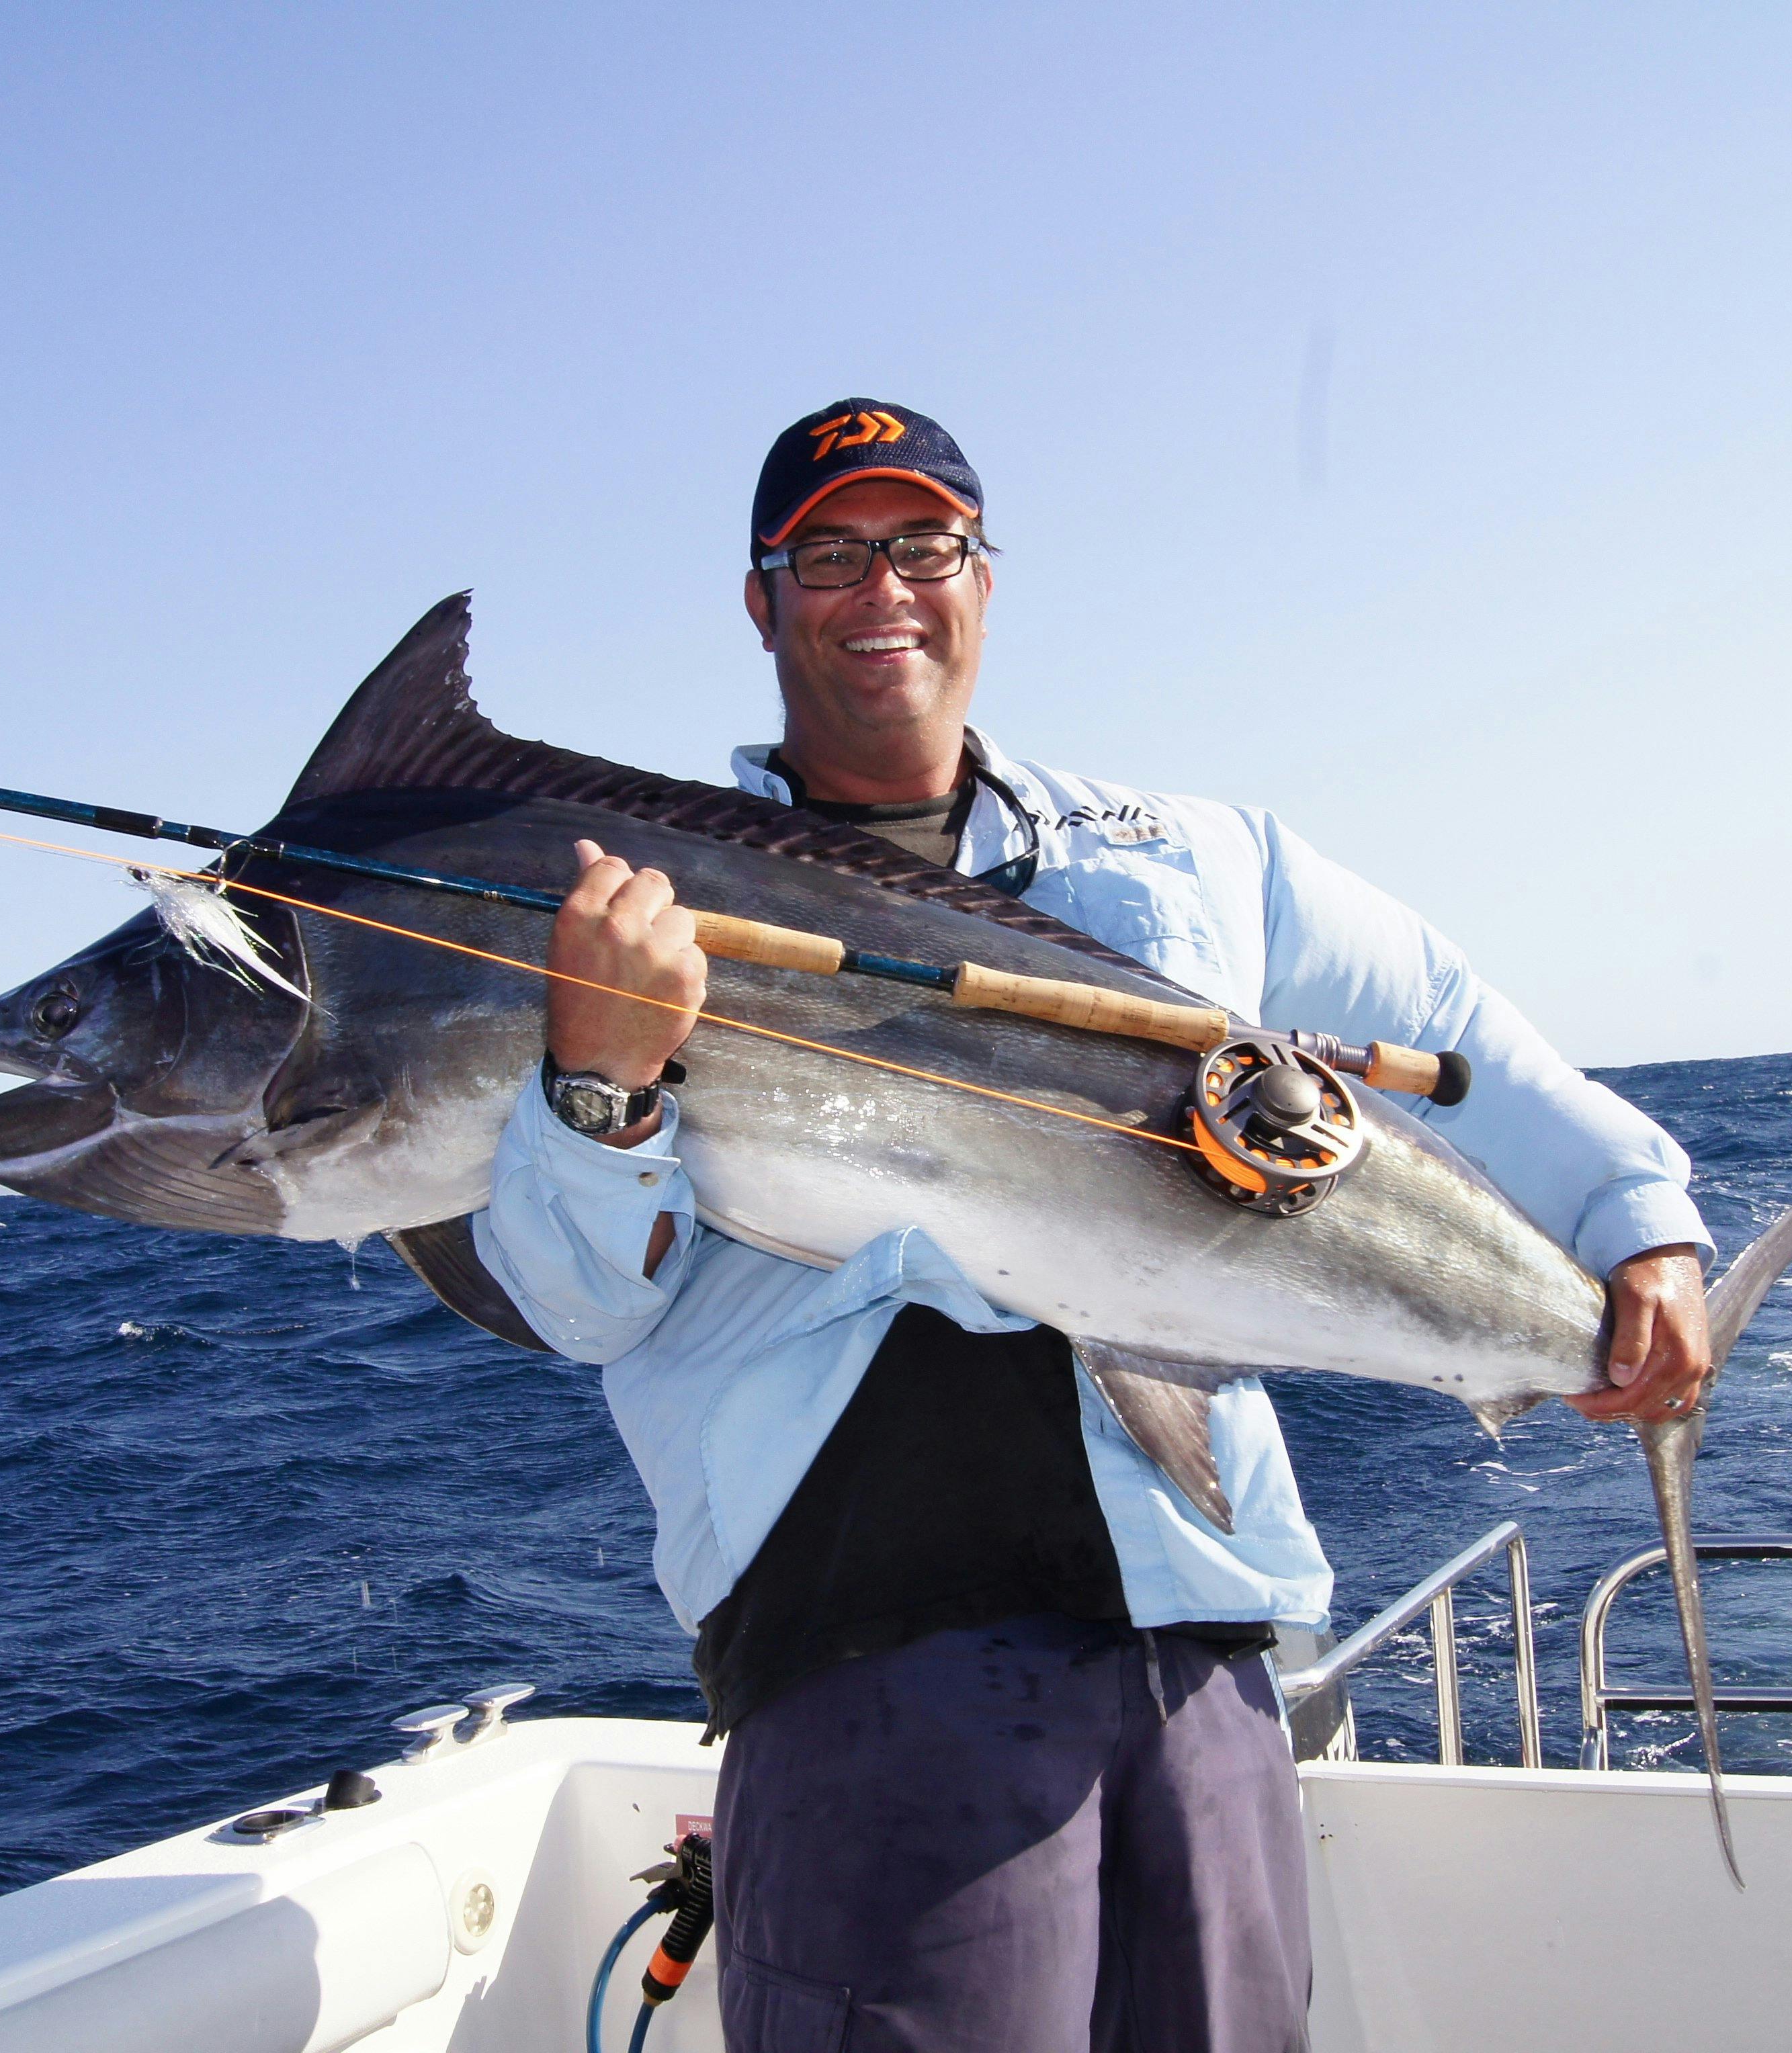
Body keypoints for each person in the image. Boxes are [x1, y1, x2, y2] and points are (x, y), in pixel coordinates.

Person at [472, 399, 1717, 2052]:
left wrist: (1642, 1226)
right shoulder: (610, 904)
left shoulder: (1197, 859)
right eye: (829, 555)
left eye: (923, 547)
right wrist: (598, 1085)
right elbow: (577, 1306)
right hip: (859, 1650)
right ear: (761, 601)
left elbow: (1447, 1023)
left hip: (1193, 1633)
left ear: (983, 581)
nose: (882, 591)